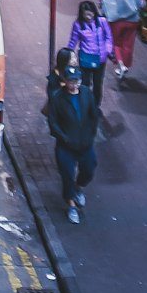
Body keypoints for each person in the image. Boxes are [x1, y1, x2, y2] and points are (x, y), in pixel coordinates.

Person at [47, 64, 99, 223]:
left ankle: (78, 188)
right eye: (71, 81)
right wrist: (64, 138)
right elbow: (53, 122)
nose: (74, 84)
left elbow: (93, 115)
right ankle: (71, 205)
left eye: (76, 81)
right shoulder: (58, 98)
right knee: (67, 175)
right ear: (65, 82)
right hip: (66, 147)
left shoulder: (86, 94)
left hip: (85, 144)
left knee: (89, 170)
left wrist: (91, 134)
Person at [99, 0, 144, 81]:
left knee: (116, 42)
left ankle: (120, 64)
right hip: (133, 19)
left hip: (117, 17)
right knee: (128, 44)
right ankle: (125, 65)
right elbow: (142, 3)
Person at [67, 0, 114, 110]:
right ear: (81, 14)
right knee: (85, 84)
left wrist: (108, 50)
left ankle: (95, 106)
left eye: (90, 13)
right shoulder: (78, 24)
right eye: (86, 14)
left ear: (94, 12)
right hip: (85, 59)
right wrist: (68, 54)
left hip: (100, 59)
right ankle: (84, 104)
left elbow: (109, 37)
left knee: (98, 84)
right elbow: (73, 41)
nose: (89, 16)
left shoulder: (102, 21)